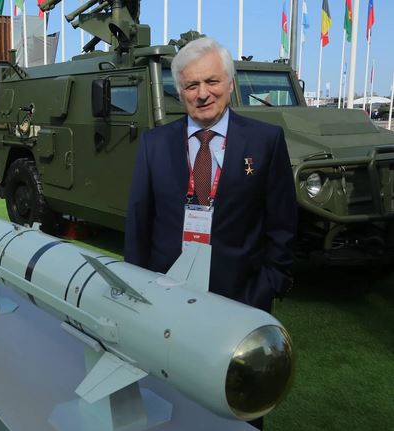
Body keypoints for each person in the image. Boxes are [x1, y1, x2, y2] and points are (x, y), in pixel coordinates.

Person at [124, 36, 296, 431]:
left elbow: (283, 226)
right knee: (168, 403)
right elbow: (138, 223)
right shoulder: (154, 144)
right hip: (166, 305)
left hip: (240, 303)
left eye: (212, 82)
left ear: (230, 84)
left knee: (236, 406)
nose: (203, 94)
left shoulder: (266, 142)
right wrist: (141, 295)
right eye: (191, 85)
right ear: (179, 90)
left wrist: (265, 289)